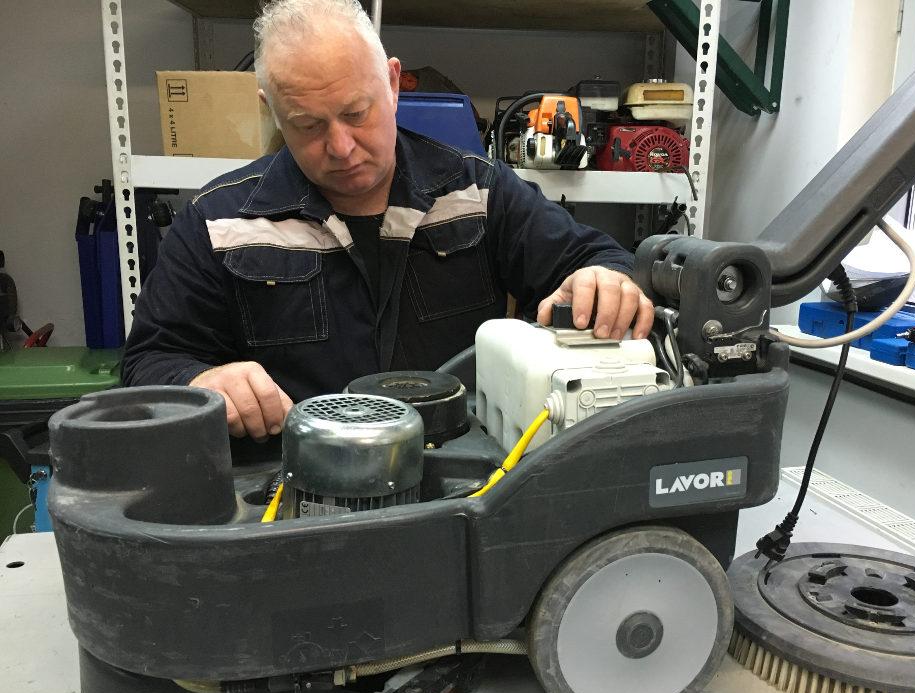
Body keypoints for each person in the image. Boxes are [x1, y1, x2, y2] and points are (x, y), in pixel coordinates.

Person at [122, 0, 654, 441]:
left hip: (464, 483)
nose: (341, 146)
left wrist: (605, 279)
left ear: (393, 83)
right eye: (307, 125)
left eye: (357, 113)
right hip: (294, 495)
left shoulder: (477, 192)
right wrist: (202, 380)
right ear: (271, 109)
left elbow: (599, 259)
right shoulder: (218, 222)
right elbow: (149, 362)